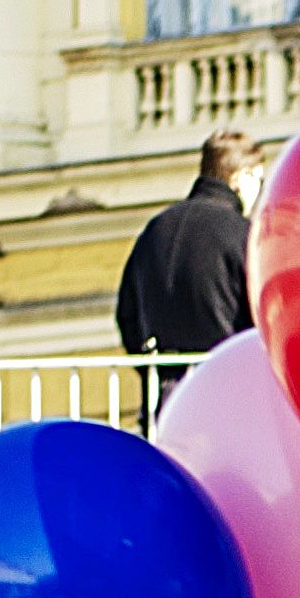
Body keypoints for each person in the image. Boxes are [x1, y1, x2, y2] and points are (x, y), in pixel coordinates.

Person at [115, 131, 258, 418]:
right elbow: (260, 314)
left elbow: (126, 314)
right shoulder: (243, 234)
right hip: (228, 397)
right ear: (241, 179)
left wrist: (153, 368)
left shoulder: (155, 230)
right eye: (258, 180)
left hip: (166, 400)